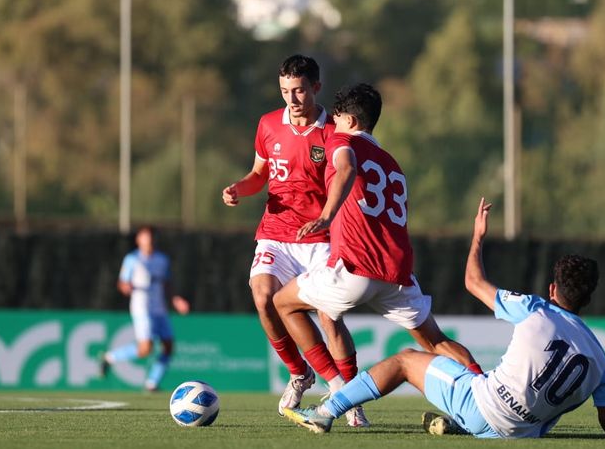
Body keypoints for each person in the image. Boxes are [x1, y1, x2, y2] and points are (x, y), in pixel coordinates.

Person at [282, 198, 605, 440]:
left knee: (405, 361)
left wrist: (478, 238)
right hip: (520, 434)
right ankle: (457, 424)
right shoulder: (601, 359)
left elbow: (473, 283)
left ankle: (326, 411)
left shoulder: (536, 309)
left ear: (552, 288)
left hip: (483, 407)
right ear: (589, 297)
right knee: (492, 390)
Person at [273, 82, 482, 409]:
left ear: (352, 122)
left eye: (338, 118)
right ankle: (484, 392)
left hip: (355, 269)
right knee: (436, 341)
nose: (334, 124)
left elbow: (346, 167)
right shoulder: (391, 163)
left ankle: (340, 391)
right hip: (398, 276)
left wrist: (327, 216)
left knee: (282, 302)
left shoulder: (342, 140)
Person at [221, 54, 368, 426]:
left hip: (321, 238)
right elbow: (259, 173)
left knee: (329, 317)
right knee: (262, 296)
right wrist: (240, 188)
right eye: (286, 90)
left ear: (316, 87)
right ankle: (300, 373)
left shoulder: (333, 130)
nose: (292, 98)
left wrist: (331, 215)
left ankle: (349, 394)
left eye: (300, 89)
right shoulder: (268, 124)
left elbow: (347, 172)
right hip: (276, 233)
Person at [99, 226, 190, 391]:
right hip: (142, 307)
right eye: (145, 238)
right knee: (145, 349)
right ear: (138, 240)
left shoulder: (162, 259)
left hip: (160, 307)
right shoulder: (132, 259)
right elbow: (122, 282)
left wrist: (175, 300)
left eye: (151, 238)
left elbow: (166, 283)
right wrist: (125, 287)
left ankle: (152, 383)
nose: (149, 241)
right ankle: (109, 357)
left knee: (168, 346)